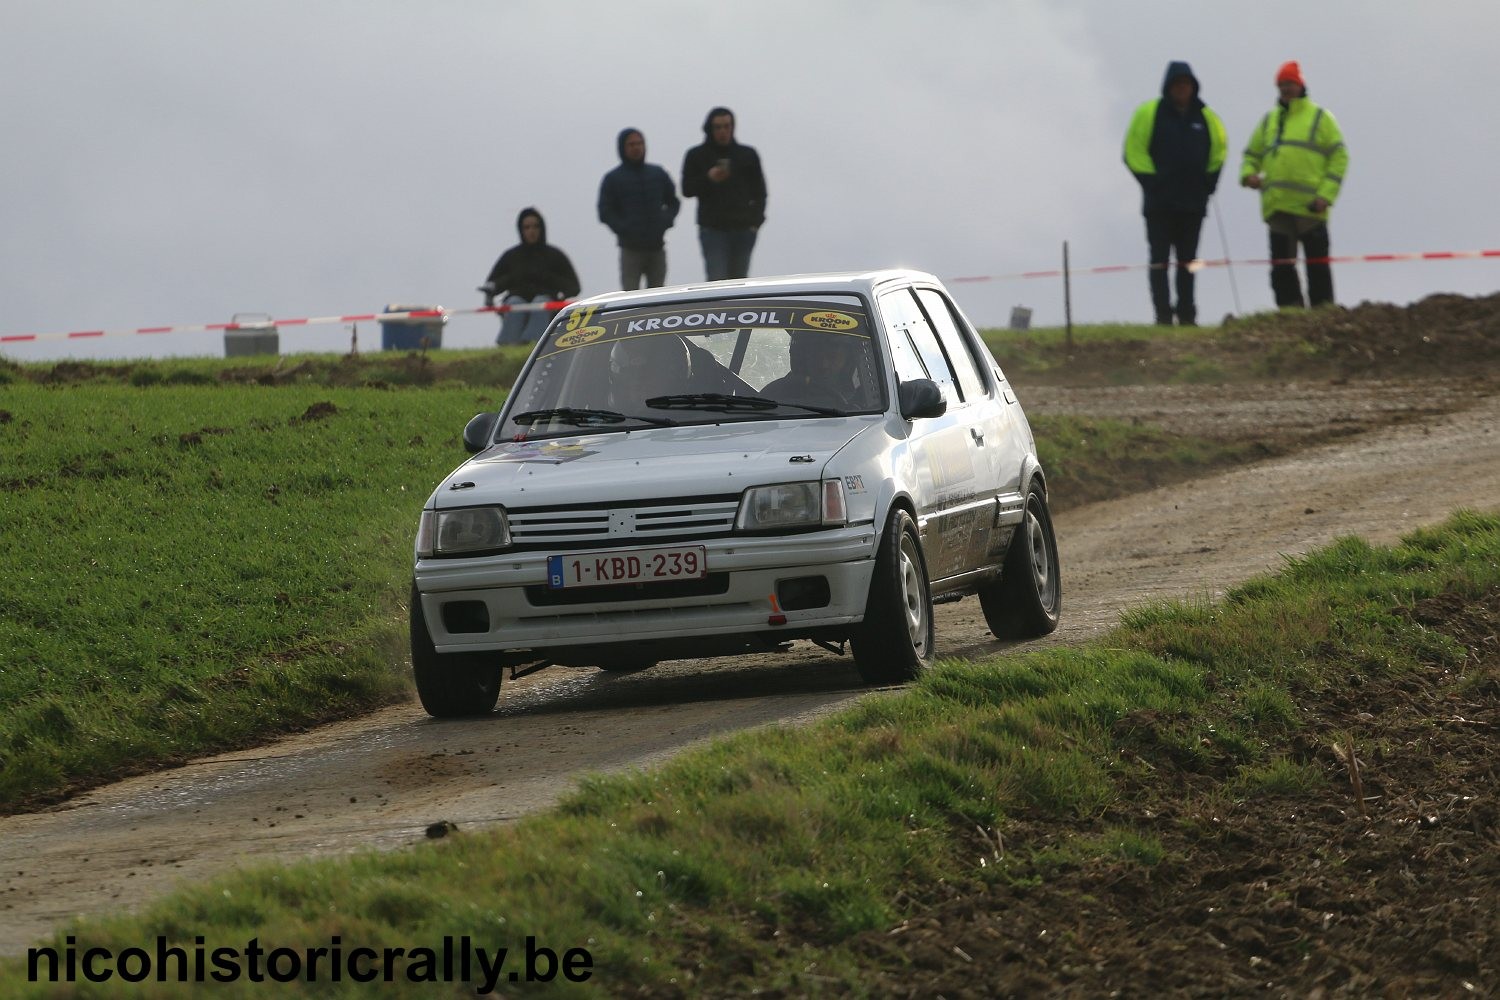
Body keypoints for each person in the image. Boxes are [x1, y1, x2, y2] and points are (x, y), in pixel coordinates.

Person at [1123, 61, 1228, 326]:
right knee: (1159, 261)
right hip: (1159, 205)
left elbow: (1219, 152)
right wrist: (1153, 184)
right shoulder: (1149, 113)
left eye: (1186, 84)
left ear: (1193, 87)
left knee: (1189, 262)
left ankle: (1187, 314)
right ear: (1168, 87)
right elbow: (1133, 151)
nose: (1182, 88)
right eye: (1177, 84)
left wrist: (1207, 185)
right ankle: (1163, 315)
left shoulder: (1208, 117)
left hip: (1193, 205)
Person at [1240, 60, 1349, 309]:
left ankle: (1322, 314)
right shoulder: (1268, 121)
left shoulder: (1321, 118)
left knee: (1317, 266)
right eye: (1281, 85)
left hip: (1311, 208)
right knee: (1281, 268)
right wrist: (1248, 175)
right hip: (1278, 207)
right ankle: (1289, 314)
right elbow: (1251, 155)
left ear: (1301, 86)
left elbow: (1340, 157)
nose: (1285, 89)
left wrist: (1326, 195)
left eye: (1289, 83)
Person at [681, 107, 767, 281]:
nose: (723, 131)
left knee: (740, 283)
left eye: (727, 126)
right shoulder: (696, 155)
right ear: (710, 129)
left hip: (743, 229)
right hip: (712, 230)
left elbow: (760, 192)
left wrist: (755, 222)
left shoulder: (747, 155)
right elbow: (687, 189)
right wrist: (708, 178)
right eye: (718, 127)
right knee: (717, 282)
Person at [480, 207, 581, 345]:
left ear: (541, 228)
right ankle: (509, 345)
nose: (531, 231)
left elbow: (574, 287)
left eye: (535, 226)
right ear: (521, 230)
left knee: (540, 303)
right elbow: (493, 283)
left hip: (545, 303)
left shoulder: (554, 256)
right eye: (527, 227)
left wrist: (552, 283)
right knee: (514, 303)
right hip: (516, 302)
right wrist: (491, 293)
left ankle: (534, 345)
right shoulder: (511, 257)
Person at [597, 128, 681, 290]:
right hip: (630, 249)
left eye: (639, 143)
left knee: (658, 296)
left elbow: (673, 201)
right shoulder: (613, 179)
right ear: (622, 148)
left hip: (657, 246)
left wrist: (666, 220)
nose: (636, 148)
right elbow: (605, 211)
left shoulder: (658, 174)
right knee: (630, 297)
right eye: (631, 144)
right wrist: (624, 228)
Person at [759, 331, 870, 411]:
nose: (823, 365)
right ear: (801, 358)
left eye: (832, 356)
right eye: (816, 356)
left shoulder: (868, 401)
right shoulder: (775, 393)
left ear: (849, 359)